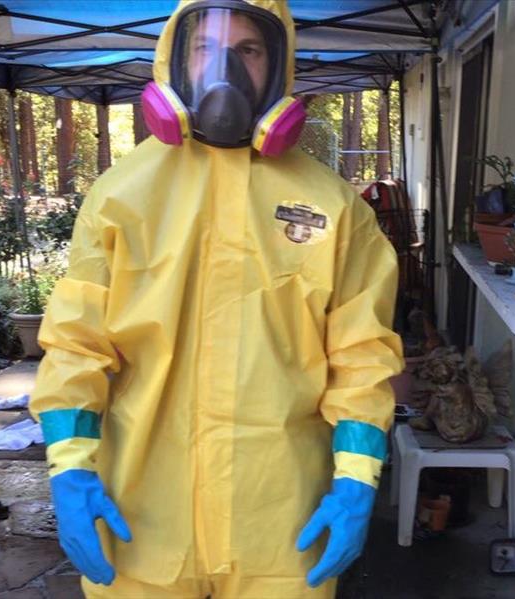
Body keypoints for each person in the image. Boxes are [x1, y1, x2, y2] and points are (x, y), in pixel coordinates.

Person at [29, 1, 404, 598]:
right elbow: (77, 345)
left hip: (280, 522)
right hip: (143, 515)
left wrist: (357, 478)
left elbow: (362, 355)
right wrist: (70, 469)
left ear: (277, 66)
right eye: (205, 48)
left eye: (248, 50)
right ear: (176, 59)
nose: (224, 67)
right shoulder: (121, 196)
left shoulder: (334, 207)